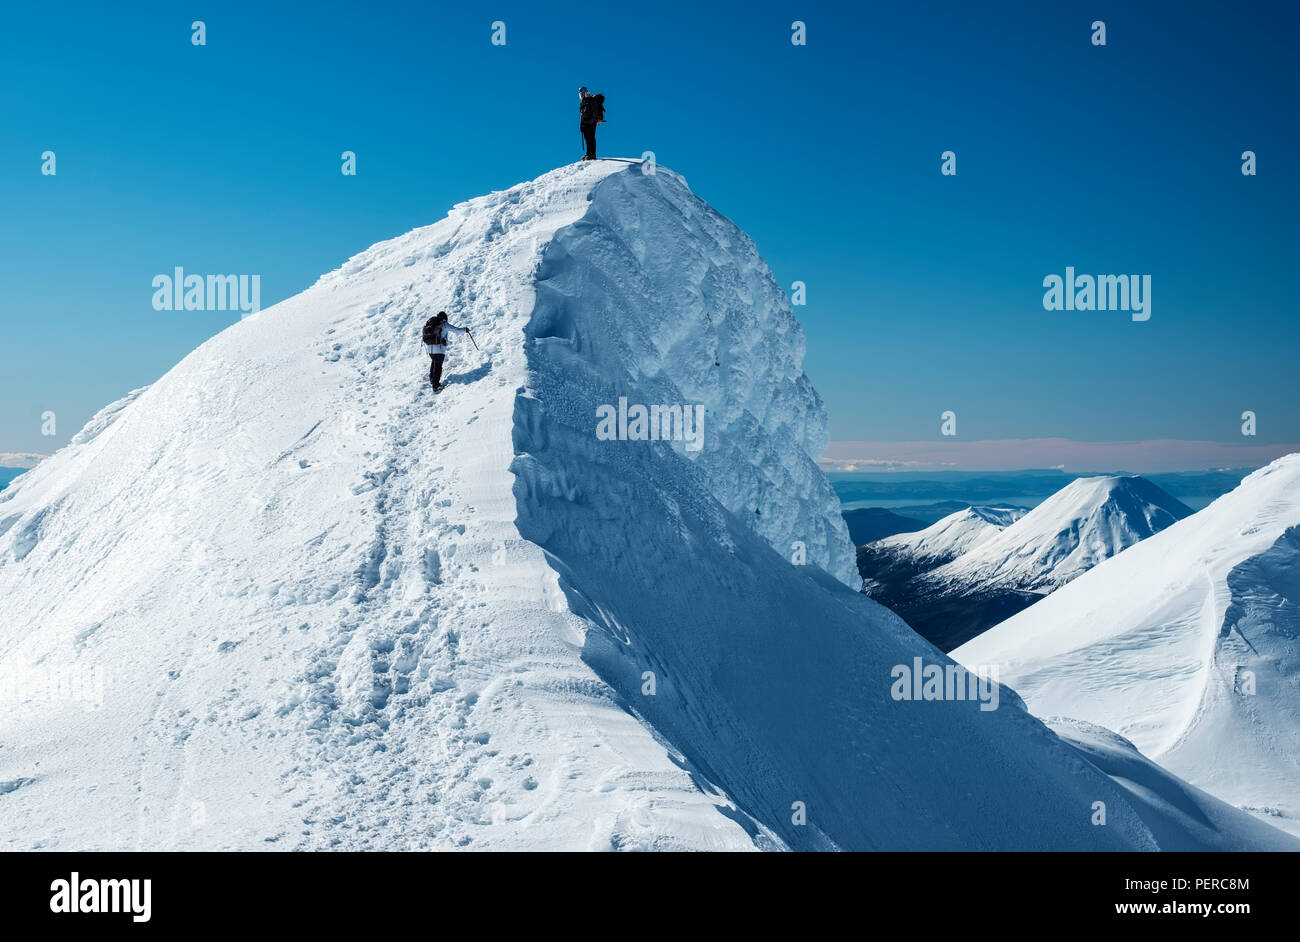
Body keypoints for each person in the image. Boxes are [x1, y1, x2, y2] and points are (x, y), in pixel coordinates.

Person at [421, 311, 470, 391]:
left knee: (434, 362)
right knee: (438, 366)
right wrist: (465, 330)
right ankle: (436, 385)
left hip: (430, 348)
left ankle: (432, 378)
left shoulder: (432, 324)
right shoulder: (444, 324)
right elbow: (456, 330)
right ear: (445, 318)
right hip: (439, 349)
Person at [578, 86, 605, 161]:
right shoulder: (582, 103)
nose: (581, 95)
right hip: (585, 123)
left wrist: (592, 121)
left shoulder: (590, 100)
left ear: (585, 93)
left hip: (591, 122)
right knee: (587, 139)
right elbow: (582, 115)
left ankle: (592, 154)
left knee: (591, 138)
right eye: (580, 94)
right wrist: (581, 125)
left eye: (582, 93)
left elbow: (594, 111)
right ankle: (588, 154)